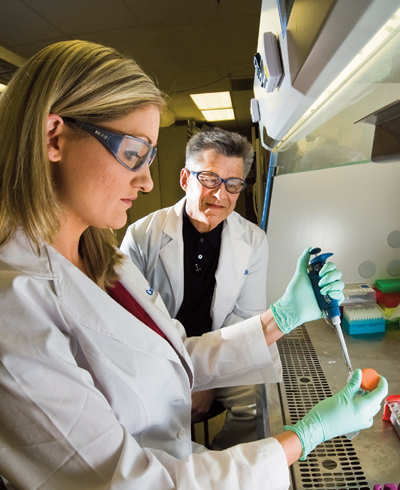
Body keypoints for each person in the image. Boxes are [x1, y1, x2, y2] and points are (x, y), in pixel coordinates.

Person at [0, 40, 388, 490]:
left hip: (186, 457)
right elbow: (129, 483)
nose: (146, 181)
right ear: (53, 137)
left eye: (148, 158)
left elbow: (174, 354)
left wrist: (281, 317)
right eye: (133, 153)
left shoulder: (105, 258)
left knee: (249, 404)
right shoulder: (16, 310)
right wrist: (304, 437)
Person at [120, 128, 272, 449]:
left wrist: (208, 380)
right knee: (149, 418)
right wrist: (186, 376)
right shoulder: (142, 236)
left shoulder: (254, 240)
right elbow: (134, 321)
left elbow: (244, 318)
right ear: (185, 179)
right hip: (158, 356)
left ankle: (218, 464)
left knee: (257, 402)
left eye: (233, 185)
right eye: (210, 179)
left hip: (223, 354)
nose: (220, 195)